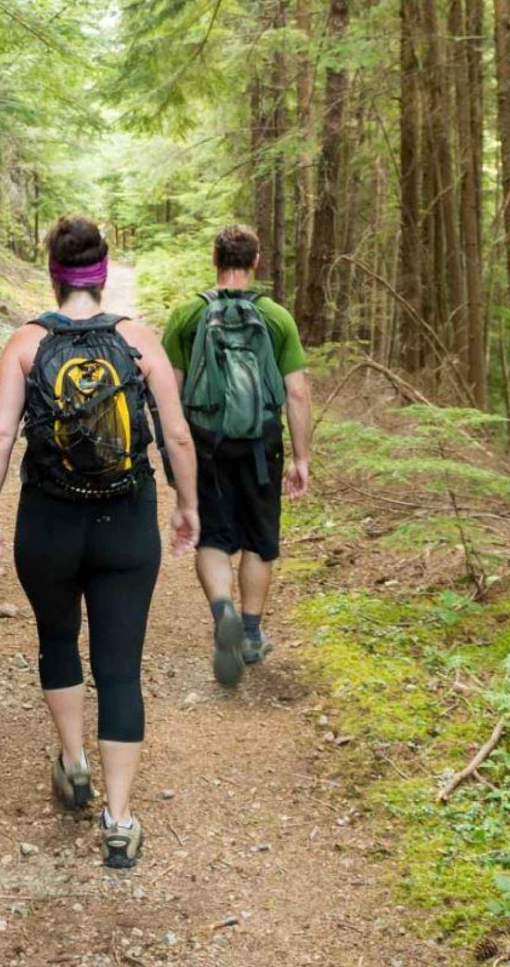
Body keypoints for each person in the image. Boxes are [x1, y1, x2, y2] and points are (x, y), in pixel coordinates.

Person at [0, 216, 199, 869]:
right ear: (102, 274)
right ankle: (120, 820)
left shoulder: (24, 343)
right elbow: (177, 434)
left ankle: (74, 763)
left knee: (55, 638)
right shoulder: (138, 340)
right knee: (121, 666)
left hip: (47, 522)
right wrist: (187, 506)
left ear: (52, 271)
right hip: (126, 523)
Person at [160, 224, 312, 688]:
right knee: (258, 539)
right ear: (256, 261)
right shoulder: (276, 317)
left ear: (214, 259)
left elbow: (171, 391)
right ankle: (249, 632)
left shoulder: (188, 315)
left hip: (206, 442)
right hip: (262, 444)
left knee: (214, 535)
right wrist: (300, 458)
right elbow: (297, 393)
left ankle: (221, 609)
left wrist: (174, 449)